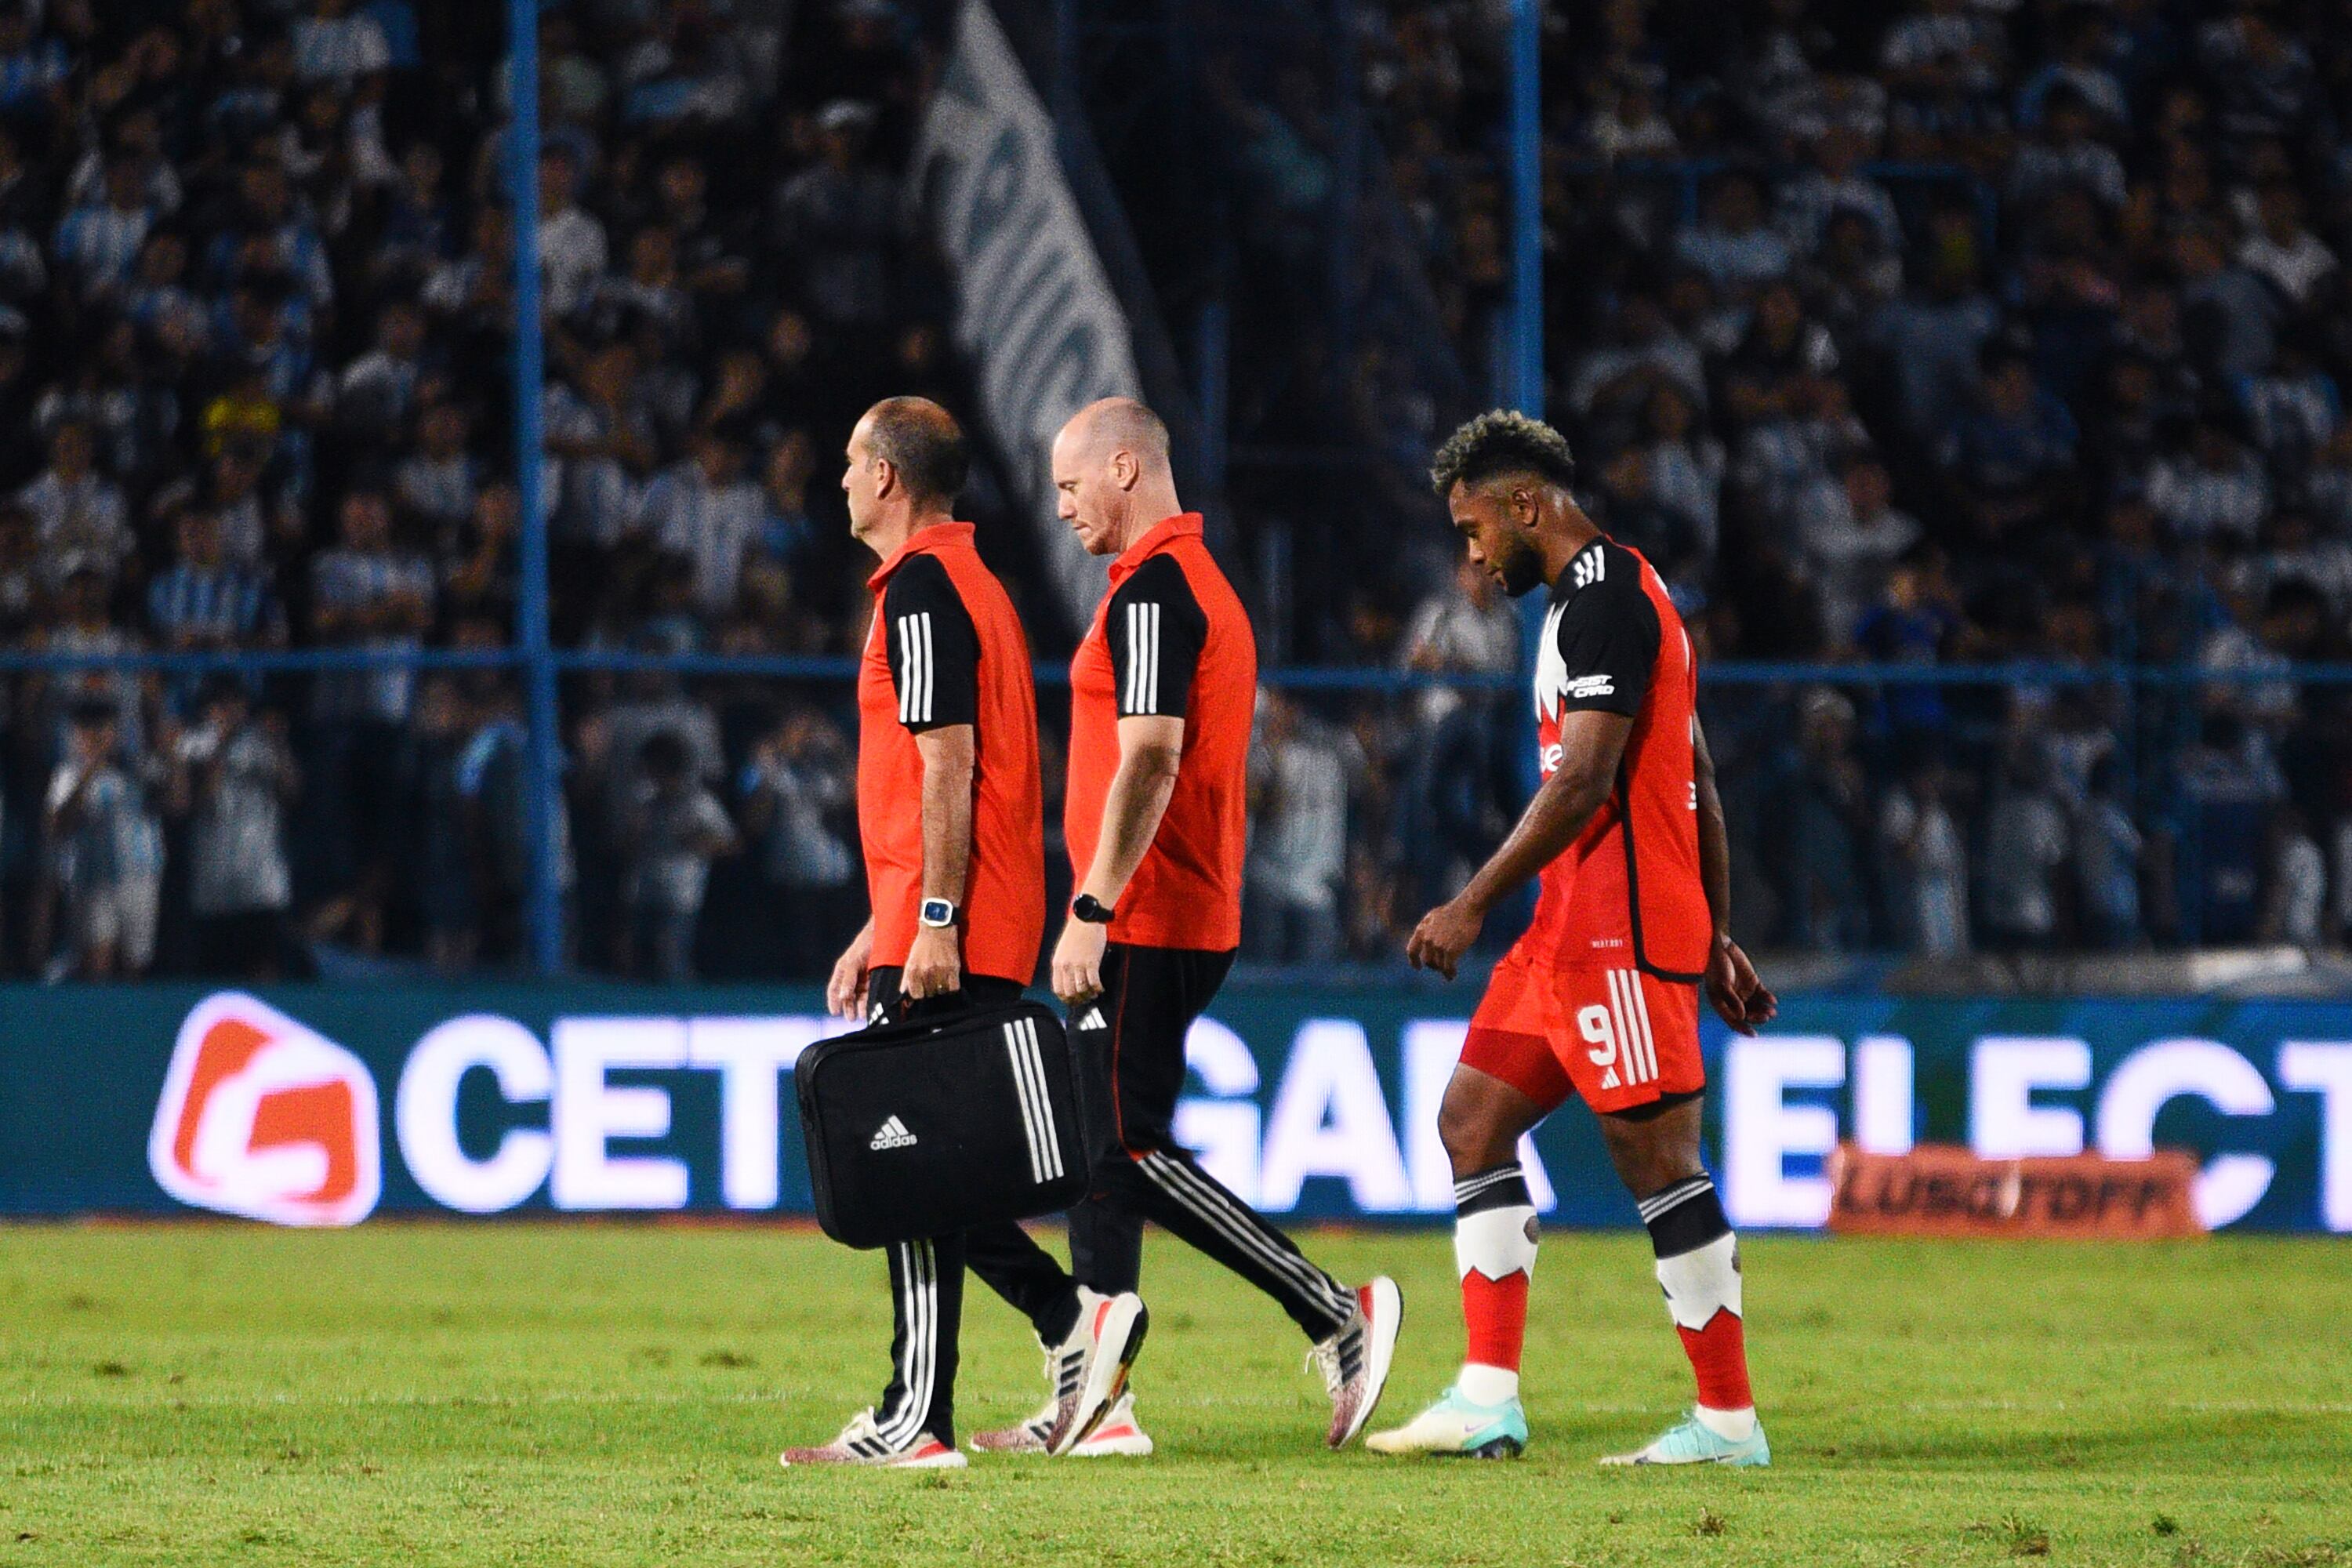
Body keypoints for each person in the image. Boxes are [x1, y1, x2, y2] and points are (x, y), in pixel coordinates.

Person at [971, 397, 1402, 1455]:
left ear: (1126, 466)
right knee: (1103, 1159)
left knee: (1126, 1147)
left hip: (1148, 914)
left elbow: (1153, 754)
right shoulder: (1185, 585)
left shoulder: (1157, 592)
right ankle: (1099, 1401)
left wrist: (1092, 905)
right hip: (1168, 908)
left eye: (1072, 485)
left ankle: (1335, 1309)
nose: (1062, 506)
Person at [1370, 411, 1777, 1467]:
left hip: (1621, 933)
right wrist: (1723, 934)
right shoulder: (1586, 605)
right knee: (1472, 1121)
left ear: (1522, 505)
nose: (1470, 555)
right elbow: (1697, 778)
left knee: (1657, 1162)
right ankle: (1487, 1397)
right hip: (1568, 931)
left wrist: (1469, 901)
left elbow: (1592, 780)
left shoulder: (1607, 602)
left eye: (1472, 531)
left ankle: (1729, 1423)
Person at [786, 398, 1146, 1468]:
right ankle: (1072, 1329)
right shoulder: (966, 585)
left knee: (904, 1165)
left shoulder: (926, 589)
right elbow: (933, 784)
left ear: (890, 480)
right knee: (940, 1167)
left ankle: (918, 1418)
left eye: (854, 461)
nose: (843, 479)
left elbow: (950, 763)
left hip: (958, 922)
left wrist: (932, 920)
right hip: (943, 916)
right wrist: (880, 924)